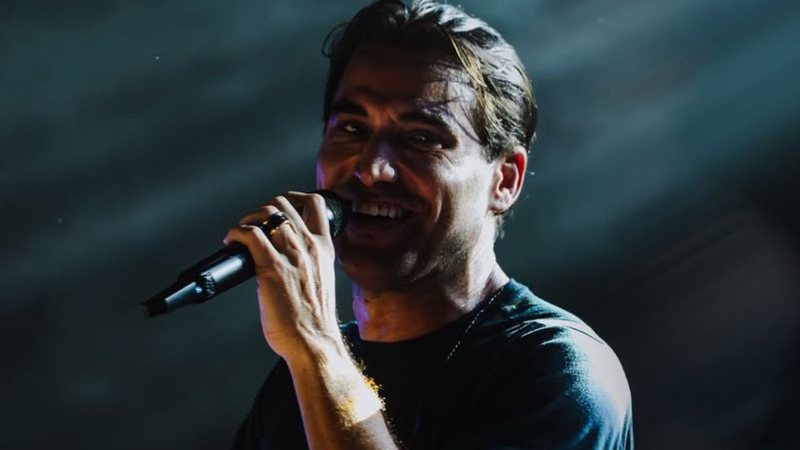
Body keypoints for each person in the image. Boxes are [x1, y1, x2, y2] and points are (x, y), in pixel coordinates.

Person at [226, 1, 633, 449]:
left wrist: (315, 347)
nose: (372, 169)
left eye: (421, 138)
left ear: (505, 180)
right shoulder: (297, 381)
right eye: (352, 129)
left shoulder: (558, 372)